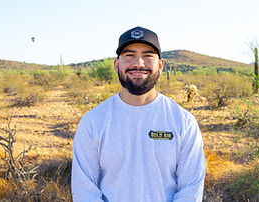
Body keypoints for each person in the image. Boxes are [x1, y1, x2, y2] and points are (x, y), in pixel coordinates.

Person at [71, 26, 206, 202]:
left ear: (160, 65)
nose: (139, 63)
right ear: (116, 64)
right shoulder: (93, 122)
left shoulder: (183, 122)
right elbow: (84, 191)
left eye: (148, 55)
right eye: (130, 55)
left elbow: (190, 190)